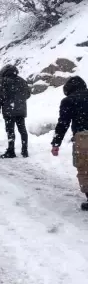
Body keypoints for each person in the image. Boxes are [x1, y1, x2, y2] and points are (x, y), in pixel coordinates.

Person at [51, 76, 88, 211]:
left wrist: (56, 143)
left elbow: (63, 123)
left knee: (84, 169)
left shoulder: (69, 101)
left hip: (84, 137)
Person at [0, 64, 31, 158]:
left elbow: (0, 95)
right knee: (22, 130)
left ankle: (11, 151)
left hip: (9, 110)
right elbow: (27, 95)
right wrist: (19, 101)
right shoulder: (23, 81)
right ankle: (24, 150)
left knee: (10, 131)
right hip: (20, 110)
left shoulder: (4, 81)